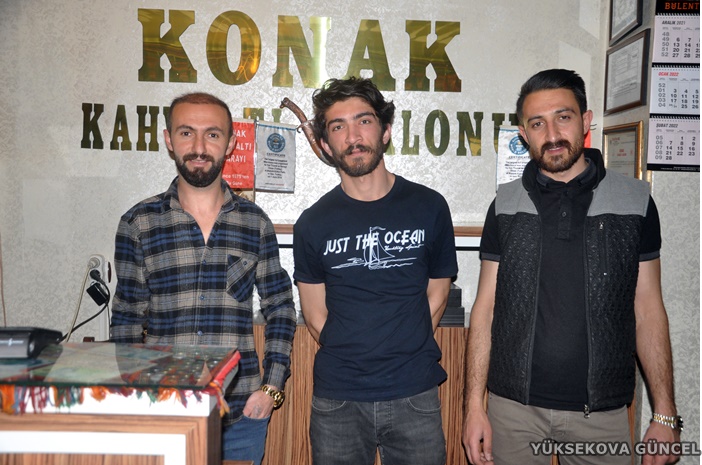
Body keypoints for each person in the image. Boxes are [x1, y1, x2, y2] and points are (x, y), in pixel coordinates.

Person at [461, 69, 681, 465]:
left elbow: (648, 310)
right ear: (524, 134)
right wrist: (474, 406)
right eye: (537, 123)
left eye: (563, 117)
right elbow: (485, 309)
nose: (552, 134)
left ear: (586, 121)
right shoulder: (505, 204)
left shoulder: (635, 201)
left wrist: (664, 414)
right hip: (512, 411)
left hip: (602, 415)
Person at [110, 92, 297, 465]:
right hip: (164, 411)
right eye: (186, 133)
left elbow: (280, 307)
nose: (199, 147)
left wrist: (272, 387)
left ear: (230, 143)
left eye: (212, 134)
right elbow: (127, 318)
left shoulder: (254, 223)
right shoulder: (138, 223)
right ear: (169, 140)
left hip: (241, 416)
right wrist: (134, 394)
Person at [292, 77, 458, 465]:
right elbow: (315, 315)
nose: (353, 136)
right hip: (338, 399)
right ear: (325, 144)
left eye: (363, 121)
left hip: (415, 392)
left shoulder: (430, 207)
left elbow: (437, 294)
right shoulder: (312, 223)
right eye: (338, 127)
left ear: (385, 131)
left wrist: (403, 348)